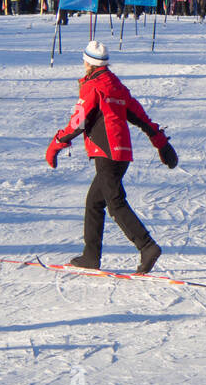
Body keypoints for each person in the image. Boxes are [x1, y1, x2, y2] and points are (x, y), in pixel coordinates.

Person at [45, 41, 177, 273]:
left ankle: (147, 246)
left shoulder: (93, 85)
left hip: (106, 152)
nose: (83, 65)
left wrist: (56, 143)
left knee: (115, 203)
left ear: (89, 63)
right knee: (94, 202)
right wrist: (160, 141)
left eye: (84, 61)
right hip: (121, 153)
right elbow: (139, 115)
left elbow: (78, 121)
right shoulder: (115, 84)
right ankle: (90, 256)